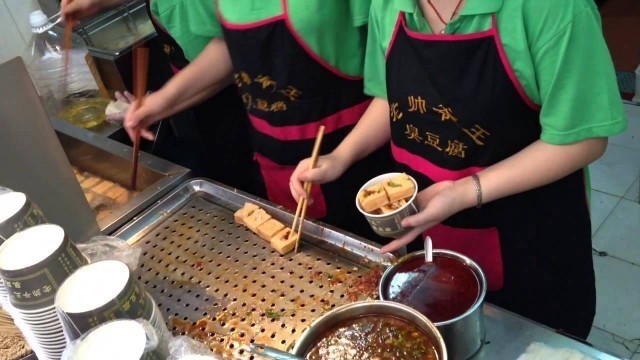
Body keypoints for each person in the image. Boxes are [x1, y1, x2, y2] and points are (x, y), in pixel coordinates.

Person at [290, 0, 628, 339]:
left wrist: (465, 190)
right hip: (433, 230)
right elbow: (390, 97)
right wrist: (341, 156)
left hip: (529, 239)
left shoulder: (553, 9)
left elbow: (584, 138)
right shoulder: (390, 5)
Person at [122, 0, 393, 241]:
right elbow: (231, 48)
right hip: (272, 159)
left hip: (354, 156)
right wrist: (161, 102)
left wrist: (341, 156)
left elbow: (393, 70)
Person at [62, 0, 259, 195]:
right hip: (207, 104)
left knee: (238, 185)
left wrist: (158, 104)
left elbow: (229, 62)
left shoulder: (179, 5)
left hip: (238, 113)